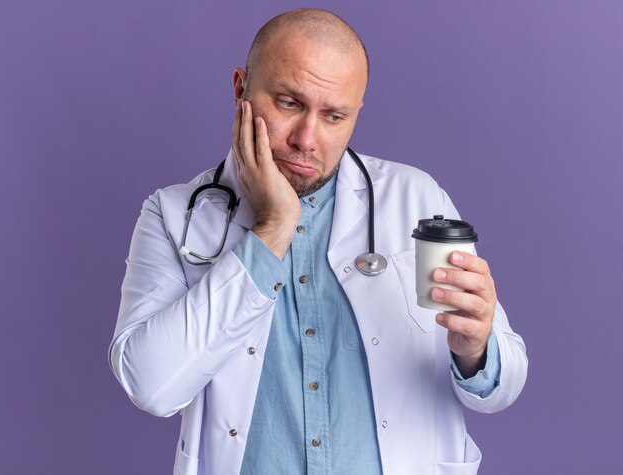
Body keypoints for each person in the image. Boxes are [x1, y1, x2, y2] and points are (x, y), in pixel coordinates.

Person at [109, 8, 527, 475]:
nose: (308, 139)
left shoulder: (418, 197)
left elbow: (503, 386)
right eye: (289, 103)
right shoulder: (173, 215)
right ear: (240, 89)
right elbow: (150, 386)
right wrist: (272, 228)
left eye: (333, 116)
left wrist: (476, 350)